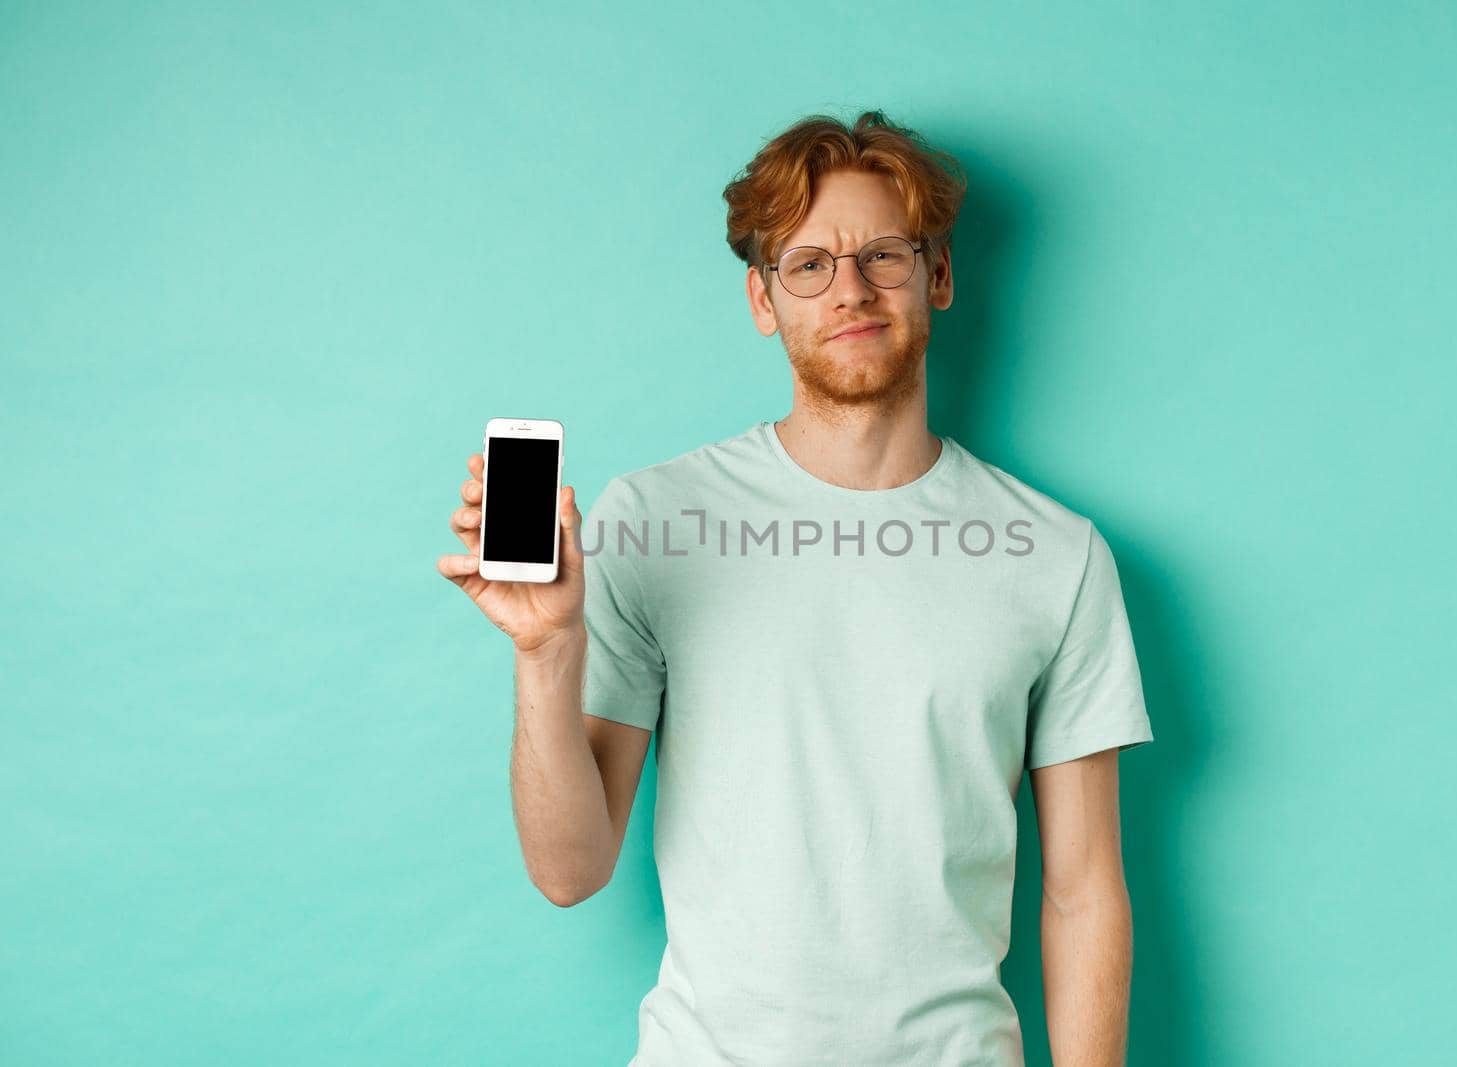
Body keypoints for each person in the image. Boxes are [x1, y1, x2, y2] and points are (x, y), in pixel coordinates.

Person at [437, 110, 1155, 1067]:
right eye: (808, 264)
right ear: (763, 299)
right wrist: (544, 652)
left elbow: (1083, 887)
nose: (848, 290)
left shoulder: (1057, 554)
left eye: (883, 256)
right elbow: (569, 871)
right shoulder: (654, 517)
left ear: (938, 276)